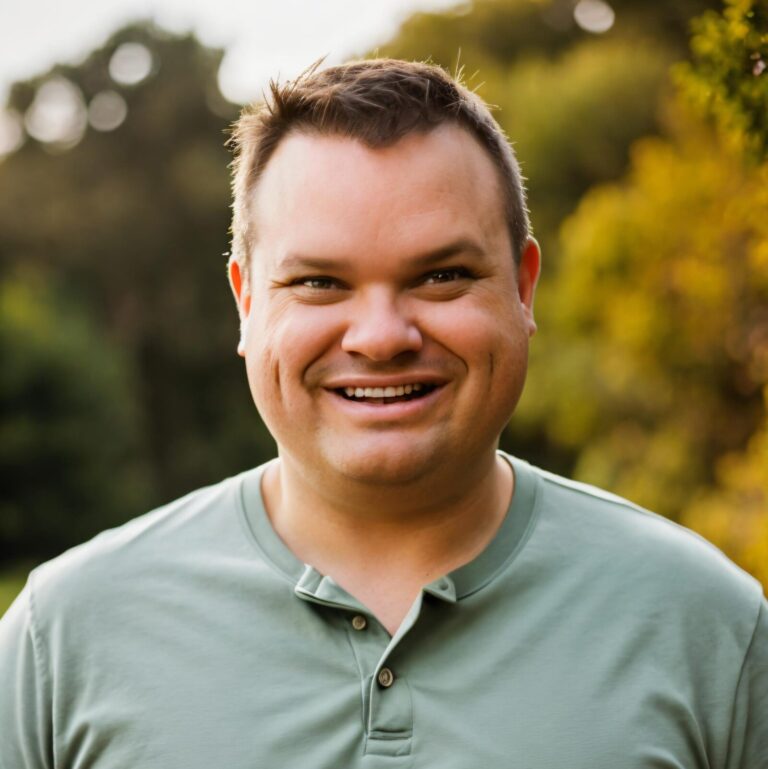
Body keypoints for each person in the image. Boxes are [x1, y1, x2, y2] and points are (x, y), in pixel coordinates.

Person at [1, 59, 766, 769]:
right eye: (320, 282)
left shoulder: (710, 630)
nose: (380, 337)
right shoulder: (61, 642)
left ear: (523, 290)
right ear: (245, 301)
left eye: (441, 274)